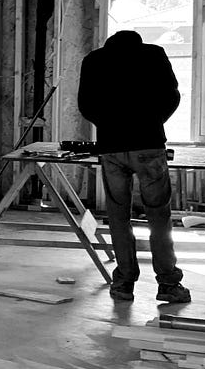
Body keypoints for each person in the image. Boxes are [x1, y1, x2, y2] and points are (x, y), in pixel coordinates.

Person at [77, 29, 191, 305]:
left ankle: (124, 283)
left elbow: (85, 105)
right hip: (149, 145)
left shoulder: (93, 60)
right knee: (158, 217)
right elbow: (172, 95)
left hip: (111, 148)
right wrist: (153, 122)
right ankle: (168, 284)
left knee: (118, 216)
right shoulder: (153, 54)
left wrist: (107, 126)